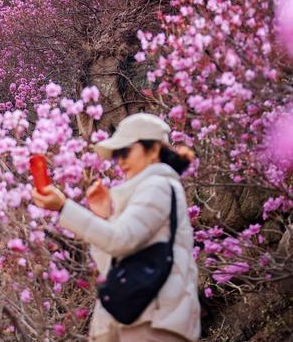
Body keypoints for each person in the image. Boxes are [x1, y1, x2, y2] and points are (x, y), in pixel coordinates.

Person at [32, 113, 201, 342]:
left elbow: (119, 240)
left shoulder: (158, 185)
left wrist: (64, 208)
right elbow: (111, 264)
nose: (120, 160)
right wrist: (103, 216)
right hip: (143, 319)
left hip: (152, 320)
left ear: (153, 150)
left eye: (125, 151)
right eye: (116, 155)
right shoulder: (146, 191)